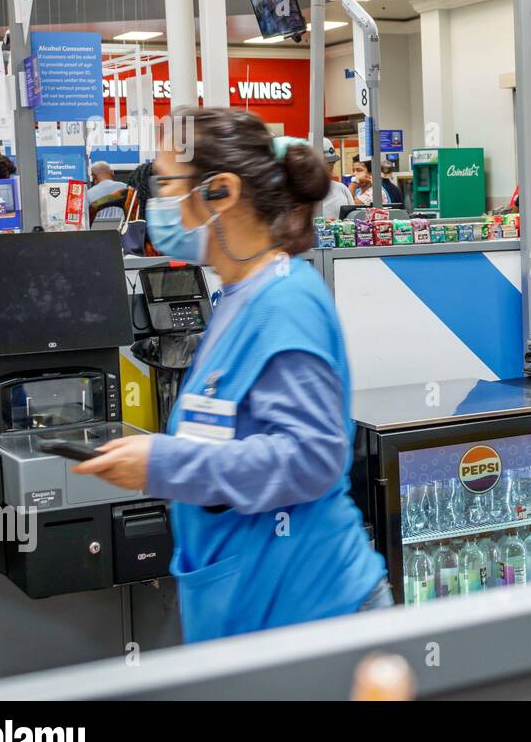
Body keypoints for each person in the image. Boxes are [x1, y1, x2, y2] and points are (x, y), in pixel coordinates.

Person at [73, 107, 389, 642]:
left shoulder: (285, 301)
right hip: (255, 617)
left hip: (313, 619)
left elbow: (311, 457)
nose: (159, 204)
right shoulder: (238, 297)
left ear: (220, 191)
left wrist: (163, 464)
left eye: (166, 183)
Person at [318, 139, 354, 220]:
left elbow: (352, 219)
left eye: (332, 163)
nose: (331, 167)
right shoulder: (300, 192)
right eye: (327, 163)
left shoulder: (341, 188)